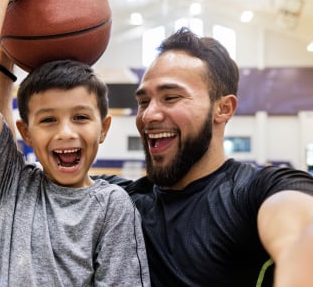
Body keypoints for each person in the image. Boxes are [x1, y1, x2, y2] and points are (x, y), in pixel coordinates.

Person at [0, 0, 150, 286]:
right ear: (26, 133)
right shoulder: (12, 186)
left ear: (104, 128)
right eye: (48, 120)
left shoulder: (113, 205)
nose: (65, 132)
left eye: (81, 117)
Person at [123, 27, 313, 286]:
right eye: (144, 102)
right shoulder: (122, 201)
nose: (148, 115)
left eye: (170, 97)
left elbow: (298, 228)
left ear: (223, 108)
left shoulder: (255, 191)